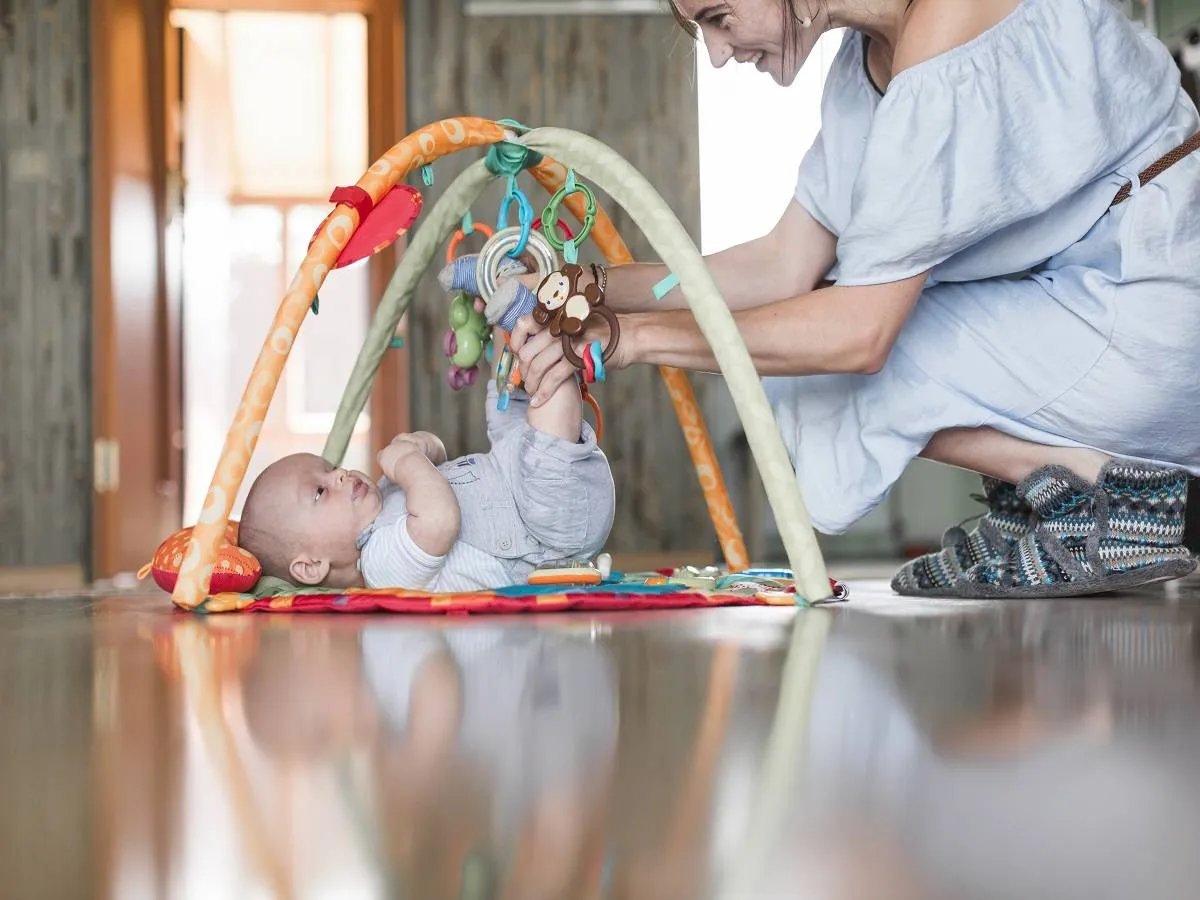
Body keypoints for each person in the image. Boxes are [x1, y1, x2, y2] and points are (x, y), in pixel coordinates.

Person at [490, 0, 1200, 599]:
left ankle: (1100, 493)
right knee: (799, 342)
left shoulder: (950, 25)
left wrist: (630, 339)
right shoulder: (863, 70)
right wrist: (585, 287)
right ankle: (1061, 495)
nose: (715, 52)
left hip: (1154, 298)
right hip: (1087, 297)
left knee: (824, 349)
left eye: (716, 15)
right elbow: (778, 267)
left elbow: (859, 337)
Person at [236, 352, 615, 592]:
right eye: (319, 492)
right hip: (545, 528)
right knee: (547, 393)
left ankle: (519, 324)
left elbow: (440, 457)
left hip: (516, 478)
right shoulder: (381, 565)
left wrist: (418, 445)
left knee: (504, 397)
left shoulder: (384, 497)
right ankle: (554, 344)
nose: (338, 476)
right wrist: (405, 462)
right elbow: (440, 519)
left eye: (331, 468)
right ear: (312, 566)